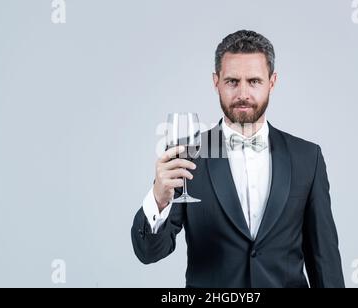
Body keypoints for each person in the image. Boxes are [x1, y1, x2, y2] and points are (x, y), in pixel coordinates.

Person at [131, 30, 345, 288]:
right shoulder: (187, 157)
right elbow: (149, 253)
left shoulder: (308, 158)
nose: (243, 93)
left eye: (254, 81)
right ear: (216, 82)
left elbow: (325, 260)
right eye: (232, 81)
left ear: (272, 82)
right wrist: (158, 198)